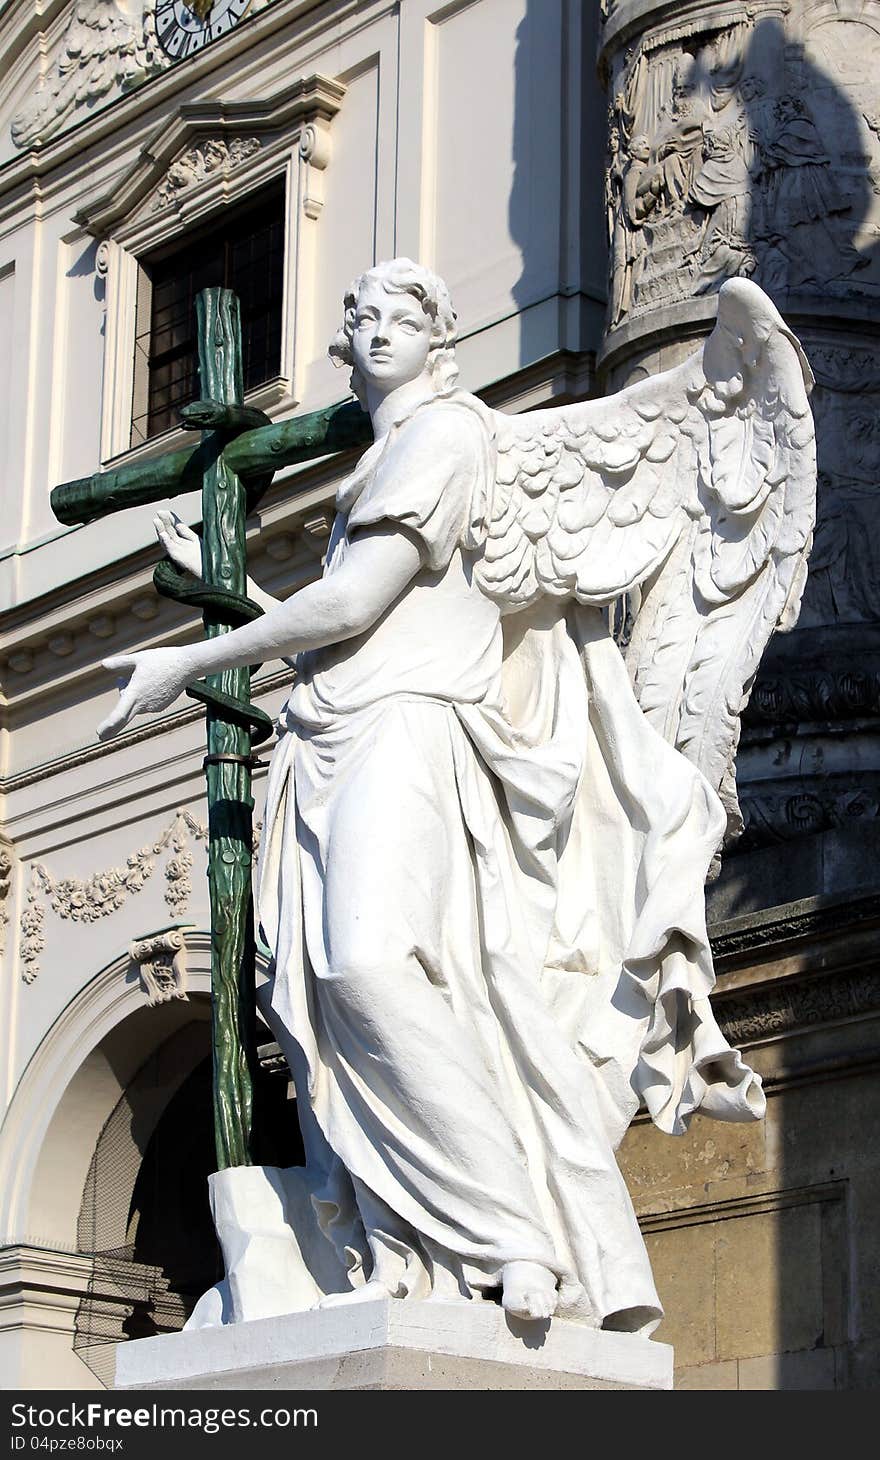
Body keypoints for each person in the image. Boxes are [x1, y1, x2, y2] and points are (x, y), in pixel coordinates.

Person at [100, 259, 768, 1330]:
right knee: (322, 990)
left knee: (370, 965)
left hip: (407, 732)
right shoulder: (383, 461)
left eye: (398, 314)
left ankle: (510, 1231)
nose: (370, 327)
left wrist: (179, 663)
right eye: (356, 313)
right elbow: (362, 628)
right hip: (335, 736)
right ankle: (415, 1236)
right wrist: (236, 593)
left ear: (438, 340)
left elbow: (360, 600)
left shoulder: (447, 437)